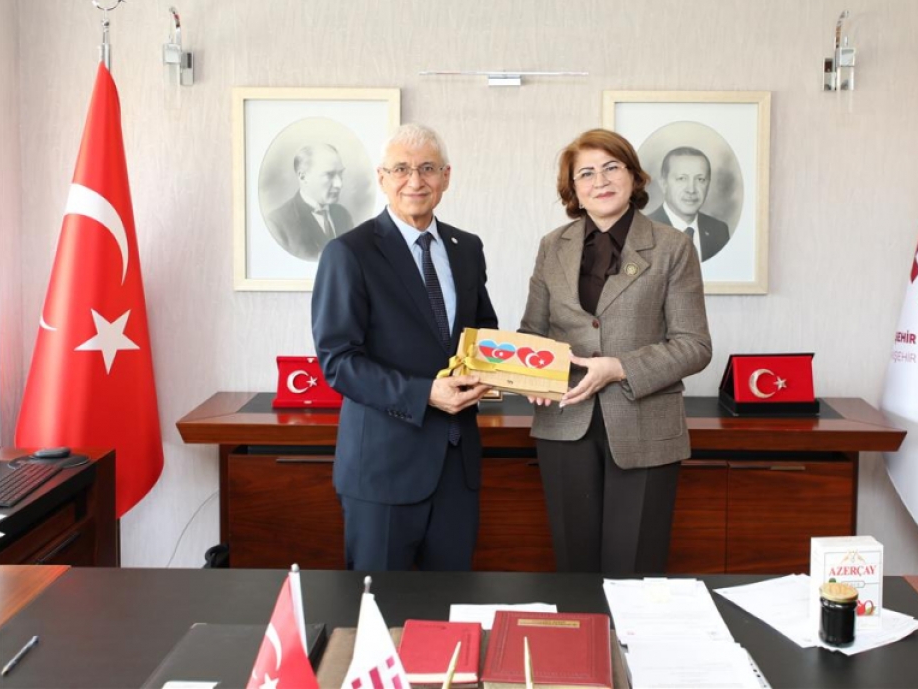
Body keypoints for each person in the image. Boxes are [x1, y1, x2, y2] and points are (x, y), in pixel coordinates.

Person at [519, 129, 712, 575]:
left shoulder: (673, 247)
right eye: (586, 173)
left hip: (645, 426)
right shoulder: (552, 246)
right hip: (564, 422)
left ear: (633, 176)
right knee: (574, 571)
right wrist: (524, 372)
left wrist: (619, 367)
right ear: (573, 189)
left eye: (611, 167)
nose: (600, 180)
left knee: (635, 573)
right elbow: (533, 333)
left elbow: (695, 345)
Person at [311, 123, 498, 571]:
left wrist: (501, 373)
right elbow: (339, 362)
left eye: (428, 168)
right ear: (382, 178)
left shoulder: (467, 248)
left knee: (450, 606)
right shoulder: (349, 253)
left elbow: (483, 332)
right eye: (401, 169)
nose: (415, 180)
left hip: (457, 470)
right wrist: (424, 393)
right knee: (380, 607)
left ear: (446, 177)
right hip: (383, 472)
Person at [266, 143, 355, 261]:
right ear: (303, 177)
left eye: (340, 174)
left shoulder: (343, 215)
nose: (339, 184)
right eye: (329, 175)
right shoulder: (277, 223)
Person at [645, 146, 730, 262]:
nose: (691, 190)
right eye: (681, 179)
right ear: (664, 184)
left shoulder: (719, 230)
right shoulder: (644, 229)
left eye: (700, 179)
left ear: (708, 184)